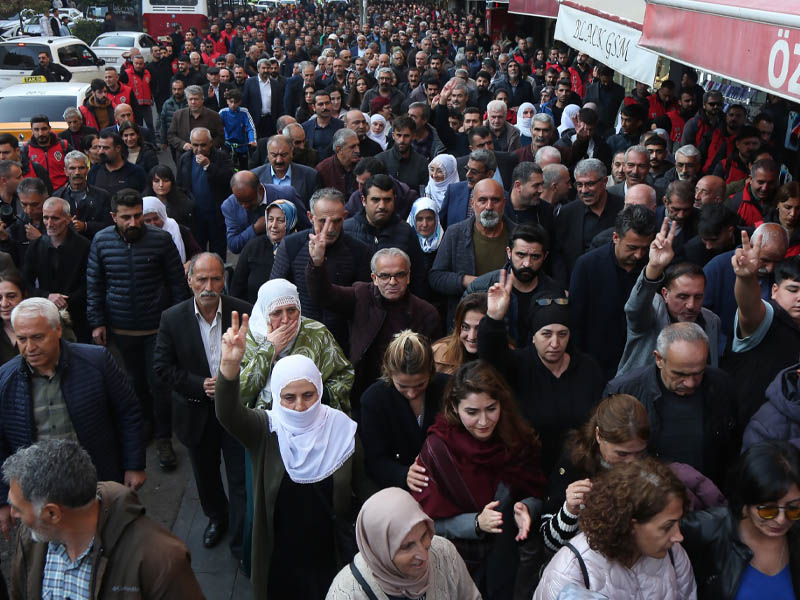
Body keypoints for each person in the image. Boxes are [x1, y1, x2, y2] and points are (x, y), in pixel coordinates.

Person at [215, 333, 371, 599]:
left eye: (308, 395)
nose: (300, 406)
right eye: (289, 397)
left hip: (329, 552)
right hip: (281, 555)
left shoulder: (341, 429)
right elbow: (228, 414)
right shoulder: (265, 429)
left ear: (320, 391)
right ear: (277, 396)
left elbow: (364, 485)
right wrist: (228, 370)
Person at [0, 297, 147, 537]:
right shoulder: (5, 380)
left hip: (101, 482)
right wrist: (3, 499)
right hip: (40, 497)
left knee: (114, 541)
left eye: (37, 337)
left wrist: (134, 464)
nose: (29, 347)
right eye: (22, 339)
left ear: (58, 329)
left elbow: (128, 412)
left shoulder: (96, 361)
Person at [411, 360, 545, 598]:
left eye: (491, 409)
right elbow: (425, 524)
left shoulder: (515, 438)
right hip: (456, 568)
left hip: (509, 562)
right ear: (454, 407)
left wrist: (527, 508)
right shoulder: (437, 450)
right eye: (472, 412)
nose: (483, 422)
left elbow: (535, 490)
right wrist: (475, 523)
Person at [4, 439, 202, 598]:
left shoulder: (161, 561)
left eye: (17, 508)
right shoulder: (32, 537)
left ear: (52, 513)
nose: (13, 514)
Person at [153, 253, 251, 557]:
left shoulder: (243, 312)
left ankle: (240, 534)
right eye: (202, 279)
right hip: (195, 412)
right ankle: (217, 518)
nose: (209, 286)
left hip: (235, 412)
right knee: (206, 476)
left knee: (239, 477)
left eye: (216, 279)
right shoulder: (172, 318)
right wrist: (199, 384)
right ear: (189, 279)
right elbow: (162, 367)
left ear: (224, 279)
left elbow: (257, 361)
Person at [541, 394, 725, 555]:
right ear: (598, 436)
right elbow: (549, 544)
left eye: (639, 453)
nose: (632, 462)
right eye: (622, 454)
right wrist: (569, 511)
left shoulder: (654, 464)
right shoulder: (573, 464)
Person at [87, 189, 189, 469]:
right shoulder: (101, 241)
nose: (133, 223)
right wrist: (96, 322)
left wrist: (178, 324)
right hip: (121, 330)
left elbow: (177, 284)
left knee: (159, 384)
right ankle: (144, 427)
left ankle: (164, 437)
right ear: (113, 217)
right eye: (126, 217)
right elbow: (94, 284)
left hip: (157, 329)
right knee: (133, 384)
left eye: (137, 217)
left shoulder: (161, 240)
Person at [478, 269, 604, 472]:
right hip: (529, 470)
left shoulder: (587, 369)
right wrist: (494, 318)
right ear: (533, 336)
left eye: (562, 334)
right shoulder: (517, 365)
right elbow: (489, 361)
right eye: (546, 334)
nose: (555, 343)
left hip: (579, 470)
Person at [306, 242, 440, 415]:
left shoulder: (426, 313)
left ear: (408, 277)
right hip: (362, 390)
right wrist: (316, 264)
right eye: (385, 276)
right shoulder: (360, 295)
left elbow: (434, 364)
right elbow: (323, 295)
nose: (392, 282)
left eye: (399, 275)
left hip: (408, 394)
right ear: (374, 278)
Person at [534, 457, 696, 599]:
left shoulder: (674, 555)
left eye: (677, 522)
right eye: (667, 527)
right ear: (631, 525)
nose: (678, 536)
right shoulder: (571, 571)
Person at [605, 322, 738, 485]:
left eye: (698, 373)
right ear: (659, 359)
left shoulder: (721, 385)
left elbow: (732, 450)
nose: (690, 383)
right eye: (680, 374)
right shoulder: (624, 391)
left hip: (709, 498)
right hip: (646, 497)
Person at [681, 440, 800, 598]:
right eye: (768, 510)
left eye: (794, 509)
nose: (781, 519)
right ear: (745, 499)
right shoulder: (706, 530)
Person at [326, 487, 481, 599]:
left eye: (424, 536)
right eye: (406, 546)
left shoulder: (443, 552)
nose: (423, 555)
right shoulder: (347, 594)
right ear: (379, 551)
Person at [269, 188, 371, 349]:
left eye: (336, 221)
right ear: (310, 217)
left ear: (345, 217)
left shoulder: (359, 251)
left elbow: (363, 302)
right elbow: (274, 293)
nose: (329, 228)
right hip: (297, 339)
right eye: (323, 221)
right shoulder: (291, 245)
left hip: (342, 342)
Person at [618, 218, 722, 376]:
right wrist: (654, 267)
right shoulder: (652, 315)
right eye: (683, 296)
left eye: (698, 297)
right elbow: (635, 308)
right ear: (665, 294)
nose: (691, 305)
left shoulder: (711, 321)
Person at [237, 278, 353, 412]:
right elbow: (238, 393)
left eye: (292, 310)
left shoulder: (317, 333)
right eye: (277, 313)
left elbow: (344, 376)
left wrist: (313, 396)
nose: (286, 320)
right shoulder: (247, 339)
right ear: (264, 313)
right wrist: (269, 350)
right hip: (263, 424)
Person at [570, 205, 657, 380]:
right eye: (632, 247)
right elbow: (575, 319)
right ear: (616, 237)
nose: (639, 255)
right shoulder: (588, 266)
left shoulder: (654, 265)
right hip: (596, 364)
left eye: (644, 248)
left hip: (640, 363)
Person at [359, 330, 450, 490]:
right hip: (395, 487)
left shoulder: (449, 388)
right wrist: (403, 474)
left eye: (420, 385)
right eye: (402, 386)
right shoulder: (374, 399)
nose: (412, 393)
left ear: (431, 372)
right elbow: (375, 460)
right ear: (389, 373)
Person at [724, 238, 800, 425]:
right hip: (749, 433)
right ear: (774, 290)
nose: (799, 298)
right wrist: (746, 278)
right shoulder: (767, 318)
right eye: (793, 289)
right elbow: (749, 307)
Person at [430, 178, 515, 325]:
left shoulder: (518, 235)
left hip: (509, 321)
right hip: (465, 324)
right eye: (482, 200)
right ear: (472, 204)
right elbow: (436, 278)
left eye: (495, 200)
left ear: (504, 203)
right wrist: (468, 281)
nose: (489, 206)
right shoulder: (455, 234)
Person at [465, 222, 563, 348]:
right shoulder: (481, 288)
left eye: (535, 257)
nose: (527, 263)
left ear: (545, 257)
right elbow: (461, 332)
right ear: (509, 252)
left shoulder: (554, 293)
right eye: (521, 255)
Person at [343, 174, 429, 298]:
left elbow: (418, 277)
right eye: (375, 200)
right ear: (363, 200)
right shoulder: (346, 230)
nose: (382, 206)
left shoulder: (406, 232)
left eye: (387, 200)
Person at [21, 197, 91, 342]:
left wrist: (65, 300)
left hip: (78, 317)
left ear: (67, 219)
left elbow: (90, 284)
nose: (49, 223)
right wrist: (47, 296)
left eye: (55, 218)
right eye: (46, 218)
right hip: (45, 316)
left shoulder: (84, 246)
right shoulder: (36, 246)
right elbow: (24, 282)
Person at [553, 158, 624, 284]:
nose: (584, 191)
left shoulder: (622, 208)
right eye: (579, 185)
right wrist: (563, 286)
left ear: (604, 181)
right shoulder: (567, 213)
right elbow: (557, 254)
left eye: (590, 184)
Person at [175, 127, 236, 257]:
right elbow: (180, 186)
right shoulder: (185, 159)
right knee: (197, 255)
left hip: (216, 216)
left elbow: (230, 179)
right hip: (194, 218)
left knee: (218, 254)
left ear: (210, 143)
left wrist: (209, 166)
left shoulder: (221, 156)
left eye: (203, 145)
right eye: (195, 145)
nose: (199, 149)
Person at [53, 150, 112, 240]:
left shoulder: (103, 196)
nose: (77, 172)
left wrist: (86, 226)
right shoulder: (57, 197)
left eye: (81, 168)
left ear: (87, 170)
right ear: (65, 171)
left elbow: (109, 225)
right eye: (72, 168)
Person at [431, 293, 487, 376]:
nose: (472, 336)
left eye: (479, 329)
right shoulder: (437, 353)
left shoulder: (507, 358)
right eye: (465, 327)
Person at [167, 85, 225, 155]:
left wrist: (207, 147)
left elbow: (220, 137)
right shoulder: (178, 115)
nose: (193, 102)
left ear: (202, 100)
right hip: (185, 156)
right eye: (190, 99)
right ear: (187, 100)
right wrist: (183, 145)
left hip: (208, 156)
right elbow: (171, 135)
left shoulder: (214, 116)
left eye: (196, 99)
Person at [142, 196, 200, 265]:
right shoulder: (138, 235)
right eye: (147, 221)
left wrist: (189, 263)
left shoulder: (180, 230)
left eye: (156, 219)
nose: (153, 224)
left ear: (163, 216)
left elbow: (197, 254)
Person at [24, 116, 70, 191]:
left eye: (44, 129)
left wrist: (68, 184)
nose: (40, 133)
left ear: (49, 129)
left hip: (62, 191)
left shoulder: (64, 145)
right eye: (36, 129)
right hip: (38, 193)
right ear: (32, 130)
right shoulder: (26, 149)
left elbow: (75, 166)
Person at [406, 197, 443, 272]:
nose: (425, 224)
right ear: (413, 220)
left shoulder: (446, 241)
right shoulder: (406, 242)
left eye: (429, 219)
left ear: (436, 220)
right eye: (419, 219)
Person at [0, 271, 23, 366]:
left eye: (11, 296)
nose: (4, 304)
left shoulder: (43, 326)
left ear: (24, 296)